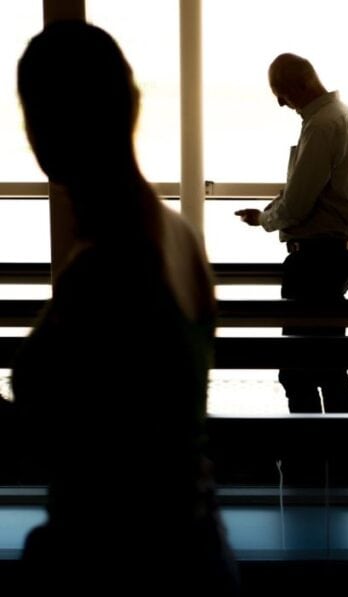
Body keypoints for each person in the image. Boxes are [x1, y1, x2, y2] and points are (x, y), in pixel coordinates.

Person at [12, 21, 238, 593]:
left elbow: (79, 446)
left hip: (121, 565)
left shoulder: (108, 264)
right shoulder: (177, 234)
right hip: (191, 548)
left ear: (46, 125)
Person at [236, 53, 348, 414]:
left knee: (296, 368)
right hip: (337, 254)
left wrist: (266, 220)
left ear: (299, 85)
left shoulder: (321, 125)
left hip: (315, 260)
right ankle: (342, 462)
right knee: (329, 364)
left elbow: (298, 203)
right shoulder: (342, 116)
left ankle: (306, 459)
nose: (281, 103)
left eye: (280, 93)